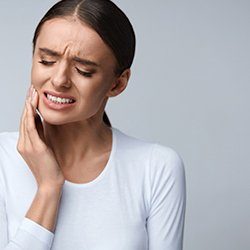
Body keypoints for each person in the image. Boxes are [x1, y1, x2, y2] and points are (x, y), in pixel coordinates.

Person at [0, 0, 186, 249]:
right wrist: (48, 189)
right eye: (46, 61)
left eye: (83, 70)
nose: (59, 79)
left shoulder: (157, 168)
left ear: (117, 84)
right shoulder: (2, 159)